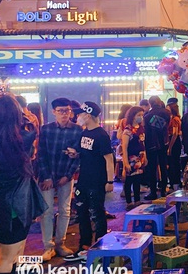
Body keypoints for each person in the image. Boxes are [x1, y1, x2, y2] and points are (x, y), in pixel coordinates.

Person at [0, 95, 45, 274]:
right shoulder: (24, 138)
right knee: (7, 257)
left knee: (5, 255)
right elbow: (32, 131)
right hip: (13, 208)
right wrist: (27, 117)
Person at [64, 102, 114, 262]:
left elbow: (109, 160)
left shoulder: (101, 135)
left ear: (88, 115)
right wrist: (75, 154)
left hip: (97, 180)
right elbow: (84, 153)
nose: (77, 117)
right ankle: (84, 247)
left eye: (80, 114)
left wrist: (110, 181)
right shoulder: (83, 133)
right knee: (82, 213)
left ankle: (100, 248)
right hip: (83, 179)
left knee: (97, 214)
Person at [36, 97, 82, 261]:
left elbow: (77, 156)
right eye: (61, 111)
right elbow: (41, 155)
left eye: (67, 111)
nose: (65, 114)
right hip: (47, 175)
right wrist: (46, 176)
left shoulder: (77, 130)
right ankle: (48, 246)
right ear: (54, 112)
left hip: (66, 175)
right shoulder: (46, 129)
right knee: (47, 211)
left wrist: (67, 176)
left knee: (65, 210)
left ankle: (60, 244)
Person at [143, 96, 171, 200]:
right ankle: (164, 189)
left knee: (152, 168)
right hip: (164, 142)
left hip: (151, 144)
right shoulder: (167, 113)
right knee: (163, 167)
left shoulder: (147, 116)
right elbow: (167, 126)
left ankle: (153, 192)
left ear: (150, 104)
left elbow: (147, 131)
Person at [121, 106, 146, 208]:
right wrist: (125, 162)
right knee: (129, 181)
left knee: (137, 180)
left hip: (140, 158)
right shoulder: (127, 130)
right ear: (133, 116)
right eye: (138, 115)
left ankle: (137, 200)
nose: (141, 117)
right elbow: (124, 147)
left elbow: (143, 143)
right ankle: (129, 202)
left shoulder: (141, 128)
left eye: (142, 115)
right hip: (131, 158)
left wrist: (145, 157)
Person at [166, 99, 183, 191]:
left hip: (174, 143)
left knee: (173, 164)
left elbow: (175, 133)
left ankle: (175, 183)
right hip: (175, 143)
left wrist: (170, 147)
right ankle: (175, 183)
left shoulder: (174, 119)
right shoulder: (176, 118)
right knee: (174, 163)